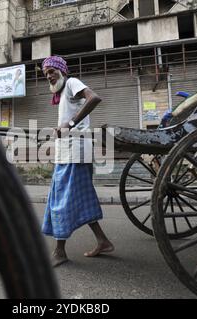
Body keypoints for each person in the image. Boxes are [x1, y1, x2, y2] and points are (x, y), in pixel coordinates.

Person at [41, 56, 114, 267]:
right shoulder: (62, 94)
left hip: (75, 153)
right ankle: (103, 241)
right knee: (78, 197)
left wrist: (70, 124)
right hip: (68, 153)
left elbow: (94, 98)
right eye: (46, 74)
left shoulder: (72, 83)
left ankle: (59, 251)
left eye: (52, 71)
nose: (49, 76)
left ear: (62, 70)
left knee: (60, 199)